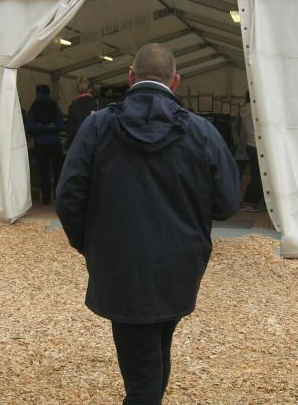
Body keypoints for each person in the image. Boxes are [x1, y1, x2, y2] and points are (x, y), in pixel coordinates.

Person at [56, 43, 240, 405]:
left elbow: (69, 197)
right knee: (154, 353)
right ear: (175, 81)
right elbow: (227, 203)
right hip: (179, 263)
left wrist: (92, 245)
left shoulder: (97, 126)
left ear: (130, 77)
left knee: (143, 368)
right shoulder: (201, 132)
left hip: (120, 263)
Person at [25, 84, 65, 204]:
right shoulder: (54, 106)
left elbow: (30, 126)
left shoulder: (34, 106)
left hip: (40, 143)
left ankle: (46, 197)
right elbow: (61, 124)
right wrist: (50, 127)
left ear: (38, 93)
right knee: (57, 170)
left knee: (44, 171)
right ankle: (57, 195)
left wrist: (41, 127)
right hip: (55, 142)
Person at [241, 92, 264, 211]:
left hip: (252, 144)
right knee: (258, 176)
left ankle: (252, 201)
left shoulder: (246, 107)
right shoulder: (253, 108)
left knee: (256, 175)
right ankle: (250, 201)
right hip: (256, 145)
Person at [65, 77, 98, 149]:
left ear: (78, 89)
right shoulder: (94, 103)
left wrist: (68, 145)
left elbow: (70, 127)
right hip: (91, 142)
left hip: (77, 141)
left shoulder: (73, 104)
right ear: (90, 89)